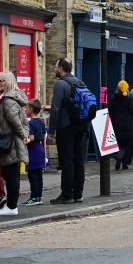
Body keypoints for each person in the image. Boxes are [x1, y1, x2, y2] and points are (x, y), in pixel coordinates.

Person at [50, 58, 93, 204]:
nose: (55, 69)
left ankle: (66, 193)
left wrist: (51, 129)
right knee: (78, 159)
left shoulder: (60, 84)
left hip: (65, 126)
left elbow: (55, 108)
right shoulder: (80, 82)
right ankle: (78, 193)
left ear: (61, 68)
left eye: (56, 66)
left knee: (66, 160)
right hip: (80, 125)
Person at [0, 72, 29, 216]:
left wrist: (23, 135)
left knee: (11, 175)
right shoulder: (14, 98)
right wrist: (24, 134)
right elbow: (24, 121)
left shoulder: (8, 100)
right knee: (11, 174)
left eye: (1, 81)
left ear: (8, 82)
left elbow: (15, 120)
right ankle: (11, 205)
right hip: (13, 141)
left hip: (9, 143)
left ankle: (12, 206)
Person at [23, 99, 47, 205]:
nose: (25, 109)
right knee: (39, 175)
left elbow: (31, 137)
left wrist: (26, 141)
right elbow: (43, 137)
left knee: (32, 176)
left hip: (33, 150)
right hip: (40, 149)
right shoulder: (41, 122)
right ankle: (39, 197)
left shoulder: (31, 123)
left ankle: (33, 198)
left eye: (27, 108)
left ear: (31, 109)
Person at [109, 81, 133, 170]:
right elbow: (132, 111)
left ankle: (119, 156)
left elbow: (110, 111)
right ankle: (125, 162)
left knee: (118, 141)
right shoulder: (128, 99)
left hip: (116, 122)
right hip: (127, 122)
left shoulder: (113, 98)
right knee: (127, 142)